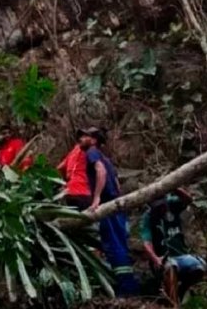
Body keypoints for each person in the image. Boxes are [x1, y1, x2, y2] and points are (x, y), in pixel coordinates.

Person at [79, 127, 139, 297]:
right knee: (120, 244)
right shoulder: (106, 159)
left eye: (86, 136)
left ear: (94, 140)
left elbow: (101, 171)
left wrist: (97, 198)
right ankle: (129, 286)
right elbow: (117, 183)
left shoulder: (92, 153)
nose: (81, 139)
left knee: (113, 246)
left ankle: (125, 290)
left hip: (107, 206)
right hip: (116, 207)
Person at [140, 188, 206, 305]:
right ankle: (173, 302)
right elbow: (147, 242)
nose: (161, 209)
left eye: (162, 205)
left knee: (199, 267)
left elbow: (188, 200)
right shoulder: (148, 217)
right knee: (171, 267)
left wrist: (175, 188)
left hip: (181, 255)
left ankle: (181, 291)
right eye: (157, 207)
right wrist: (155, 258)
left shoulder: (173, 205)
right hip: (164, 258)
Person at [57, 130, 92, 210]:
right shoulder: (90, 151)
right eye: (83, 137)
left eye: (85, 136)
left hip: (71, 191)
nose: (82, 139)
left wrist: (63, 183)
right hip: (82, 193)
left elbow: (59, 168)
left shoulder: (75, 151)